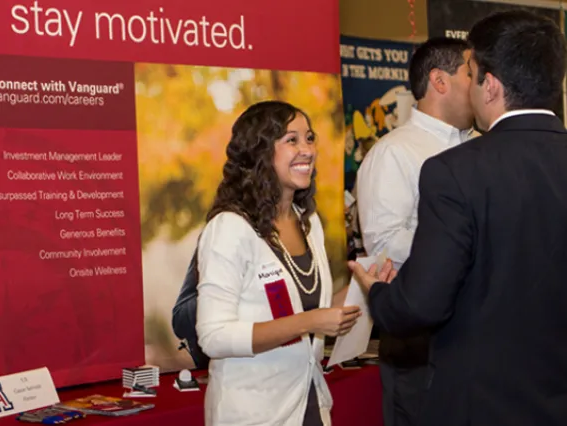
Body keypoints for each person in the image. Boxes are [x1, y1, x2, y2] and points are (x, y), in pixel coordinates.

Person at [349, 10, 567, 426]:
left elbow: (420, 303)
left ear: (491, 86)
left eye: (472, 74)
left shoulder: (457, 169)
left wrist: (377, 293)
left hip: (483, 397)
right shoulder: (417, 156)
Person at [195, 100, 360, 426]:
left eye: (310, 138)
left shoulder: (308, 223)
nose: (307, 150)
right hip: (254, 414)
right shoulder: (229, 228)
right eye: (292, 140)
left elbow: (319, 309)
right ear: (259, 152)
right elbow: (213, 337)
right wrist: (308, 322)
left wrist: (365, 287)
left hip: (309, 402)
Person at [355, 37, 476, 426]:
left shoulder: (482, 147)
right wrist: (466, 242)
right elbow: (385, 247)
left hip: (476, 336)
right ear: (440, 82)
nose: (479, 84)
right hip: (419, 342)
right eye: (470, 73)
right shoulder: (393, 153)